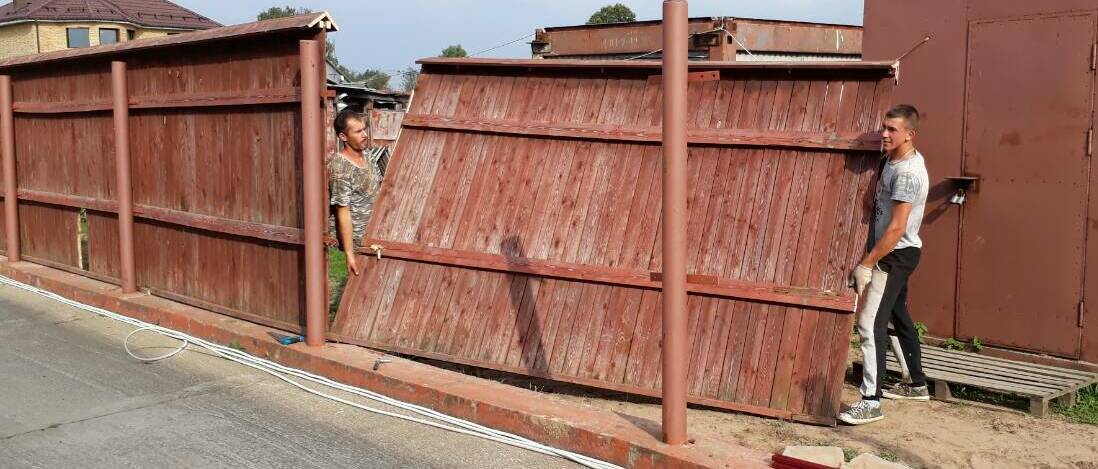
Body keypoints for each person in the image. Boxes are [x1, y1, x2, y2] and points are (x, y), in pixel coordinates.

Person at [839, 104, 931, 425]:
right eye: (884, 127)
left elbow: (896, 229)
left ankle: (870, 401)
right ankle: (916, 383)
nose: (885, 134)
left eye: (893, 130)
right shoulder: (890, 160)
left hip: (894, 256)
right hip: (897, 252)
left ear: (910, 134)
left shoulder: (907, 173)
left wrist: (867, 264)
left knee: (869, 323)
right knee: (897, 314)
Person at [328, 110, 382, 277]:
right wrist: (350, 253)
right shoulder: (340, 167)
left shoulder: (369, 158)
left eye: (364, 129)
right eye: (358, 131)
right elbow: (342, 210)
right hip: (360, 243)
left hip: (376, 235)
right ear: (343, 137)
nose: (365, 135)